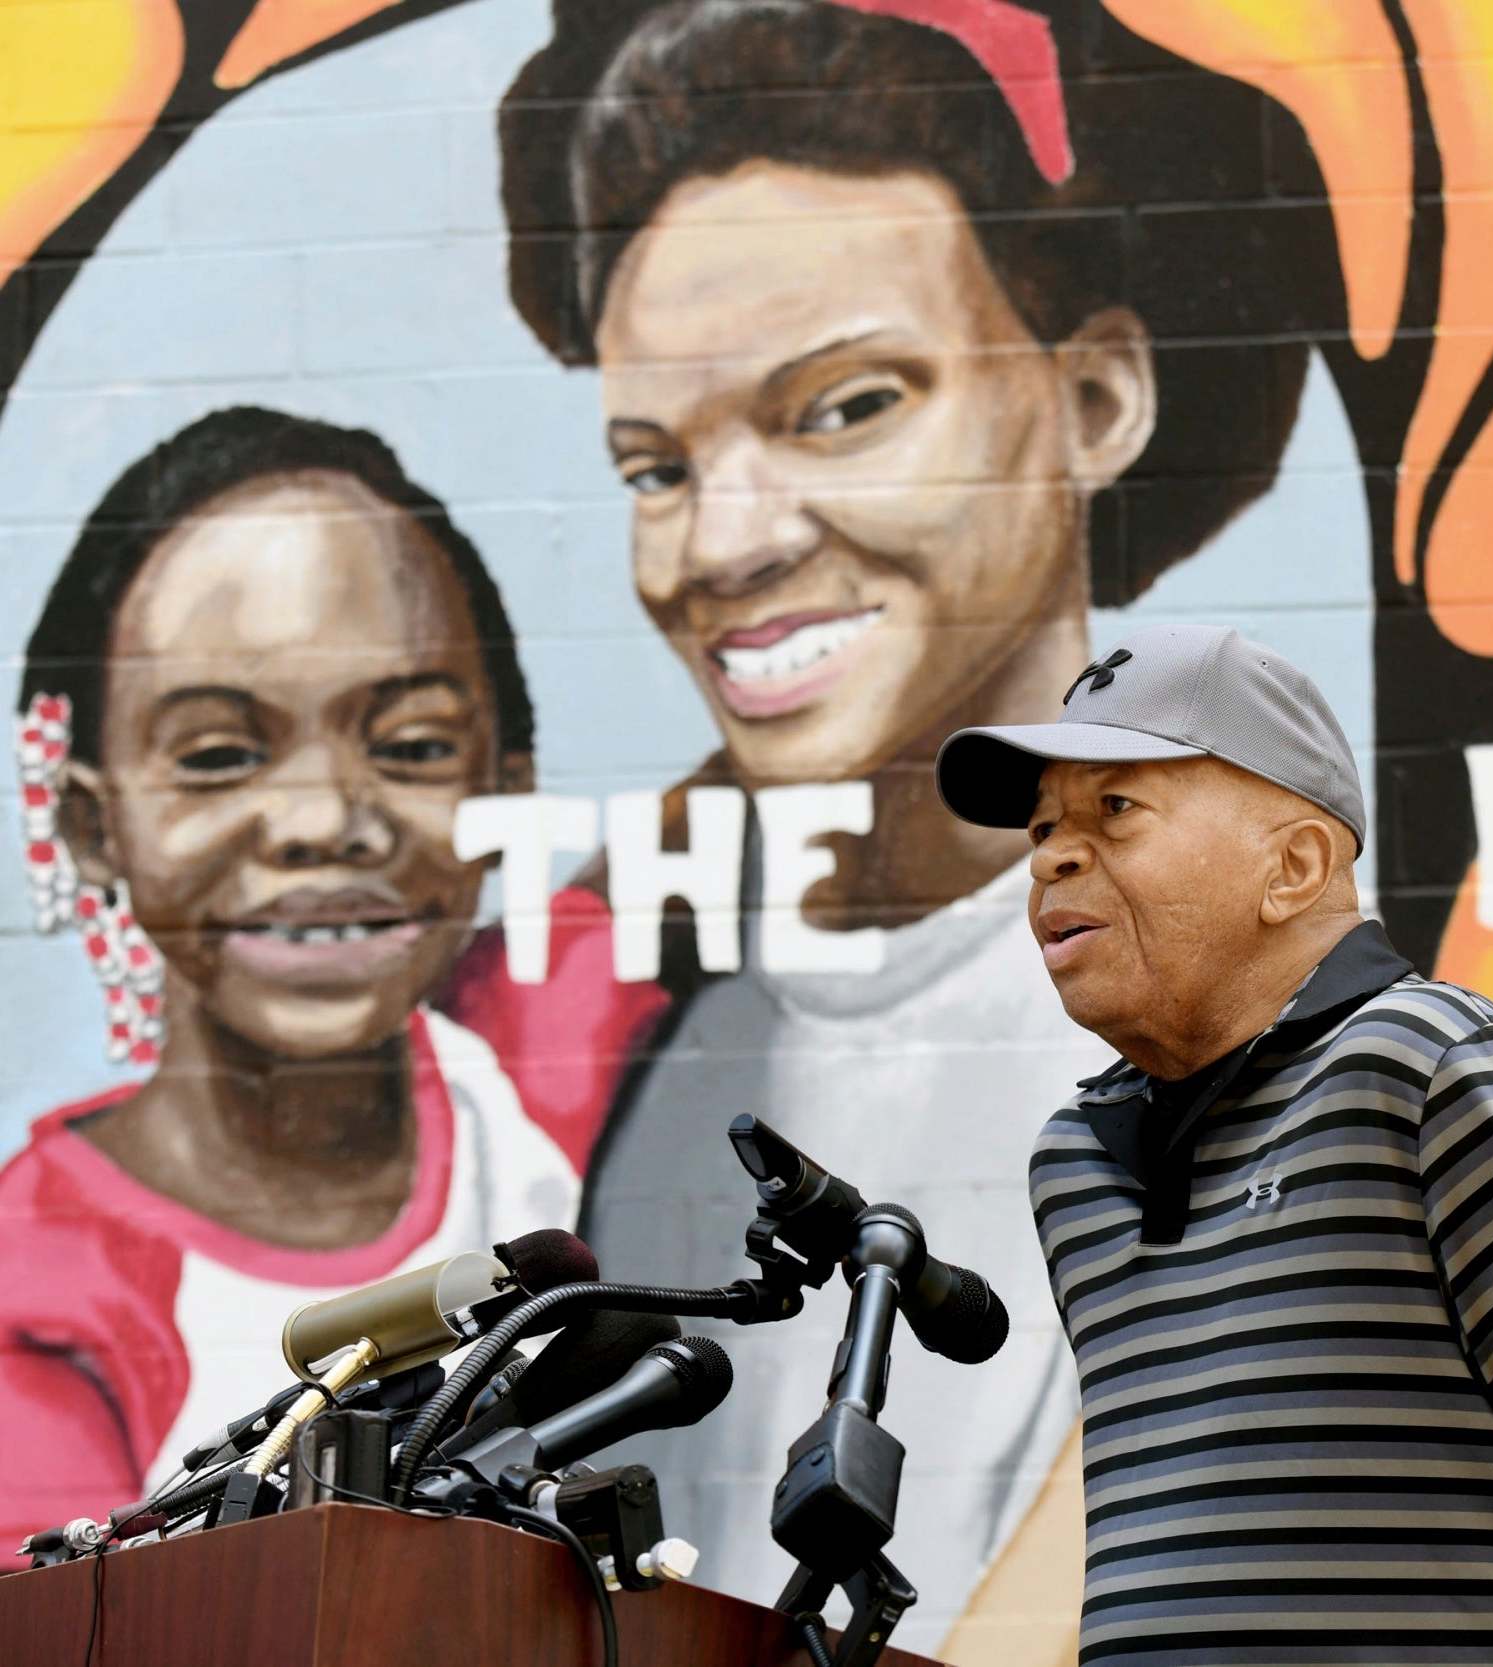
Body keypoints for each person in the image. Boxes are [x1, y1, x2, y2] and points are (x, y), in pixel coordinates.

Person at [492, 0, 1337, 1635]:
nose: (715, 545)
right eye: (653, 466)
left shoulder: (1241, 1026)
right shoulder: (692, 1067)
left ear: (1095, 397)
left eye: (846, 405)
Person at [934, 620, 1493, 1665]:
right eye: (1040, 827)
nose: (1055, 854)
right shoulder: (1075, 1161)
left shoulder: (1436, 1071)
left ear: (1292, 866)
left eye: (1115, 808)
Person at [0, 408, 662, 1561]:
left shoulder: (542, 1033)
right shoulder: (42, 1288)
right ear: (93, 824)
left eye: (408, 744)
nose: (323, 822)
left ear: (507, 785)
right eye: (217, 755)